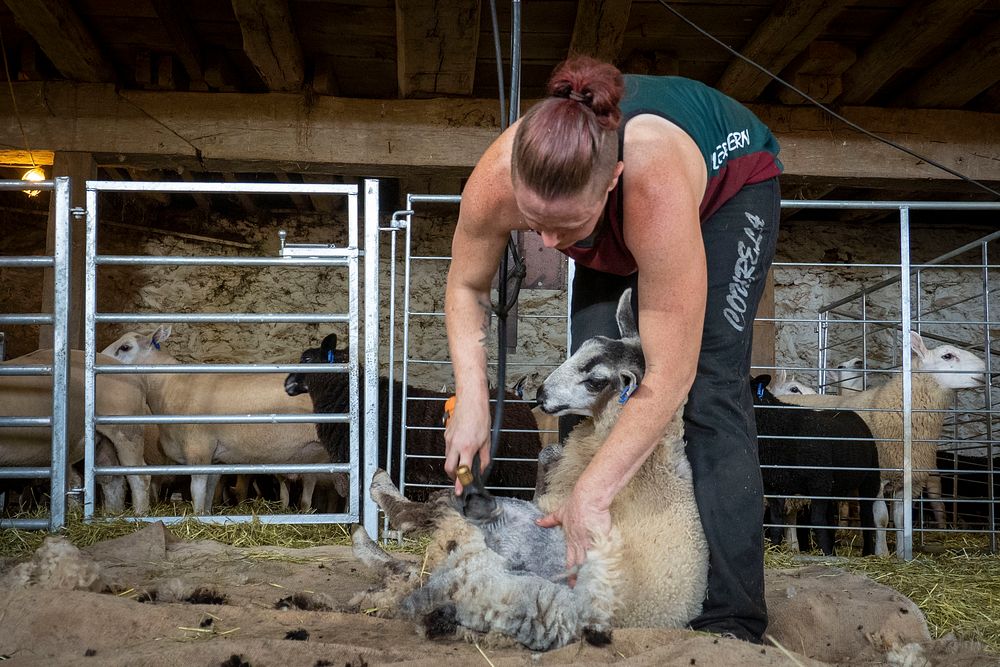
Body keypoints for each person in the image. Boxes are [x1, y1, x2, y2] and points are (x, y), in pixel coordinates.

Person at [442, 55, 781, 643]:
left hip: (729, 189)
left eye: (563, 229)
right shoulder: (498, 178)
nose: (546, 243)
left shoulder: (651, 184)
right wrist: (470, 397)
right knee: (592, 384)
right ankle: (585, 569)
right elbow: (467, 285)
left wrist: (594, 492)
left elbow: (669, 373)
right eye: (533, 221)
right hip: (612, 224)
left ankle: (733, 615)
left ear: (612, 178)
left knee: (708, 384)